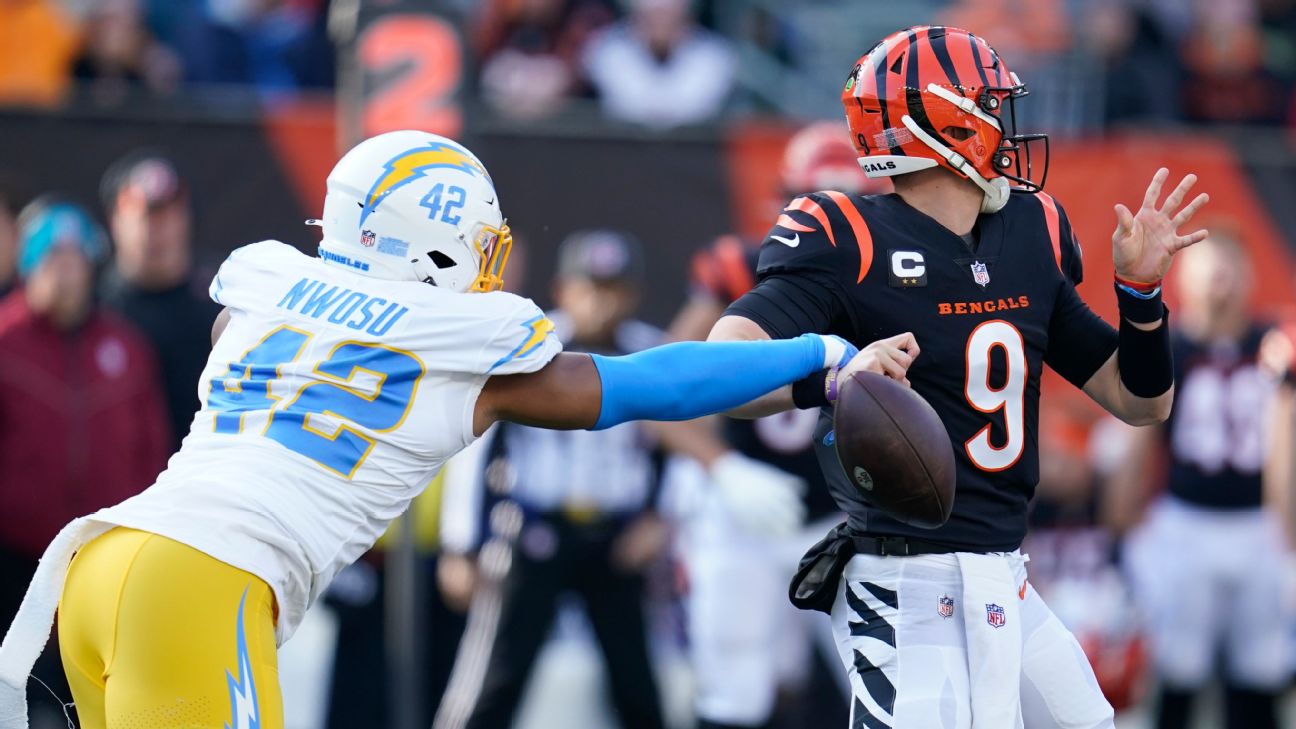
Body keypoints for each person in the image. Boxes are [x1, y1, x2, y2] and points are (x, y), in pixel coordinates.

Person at [0, 130, 880, 729]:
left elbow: (259, 344)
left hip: (106, 560)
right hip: (199, 586)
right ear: (433, 242)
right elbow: (654, 381)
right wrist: (814, 352)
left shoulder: (265, 291)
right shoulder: (465, 350)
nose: (491, 262)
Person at [709, 26, 1209, 728]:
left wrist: (1141, 292)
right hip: (901, 576)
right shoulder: (847, 234)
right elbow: (725, 360)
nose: (1004, 127)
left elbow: (1140, 399)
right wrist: (832, 368)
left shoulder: (1031, 231)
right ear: (945, 122)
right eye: (990, 107)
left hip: (1006, 570)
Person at [666, 122, 889, 729]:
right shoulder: (739, 267)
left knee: (884, 690)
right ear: (786, 203)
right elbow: (668, 383)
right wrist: (724, 467)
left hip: (848, 514)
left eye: (853, 208)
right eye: (822, 207)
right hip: (747, 511)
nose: (837, 227)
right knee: (736, 690)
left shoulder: (898, 281)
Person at [434, 230, 671, 729]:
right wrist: (461, 545)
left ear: (633, 294)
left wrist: (662, 518)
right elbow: (473, 445)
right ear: (565, 288)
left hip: (618, 537)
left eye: (615, 288)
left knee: (637, 687)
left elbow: (682, 445)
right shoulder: (527, 348)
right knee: (496, 678)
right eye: (592, 287)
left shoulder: (651, 352)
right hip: (534, 531)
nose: (603, 302)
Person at [1110, 231, 1290, 729]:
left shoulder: (1271, 345)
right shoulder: (1172, 346)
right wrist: (1123, 519)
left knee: (1260, 666)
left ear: (1250, 276)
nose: (1221, 285)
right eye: (1212, 271)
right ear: (1187, 279)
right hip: (1185, 520)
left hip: (1258, 523)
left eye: (1230, 271)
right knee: (1179, 666)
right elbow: (1140, 433)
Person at [0, 198, 170, 725]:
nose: (66, 272)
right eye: (53, 258)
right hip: (12, 567)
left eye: (76, 259)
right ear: (29, 265)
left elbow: (153, 452)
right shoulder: (4, 341)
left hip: (100, 569)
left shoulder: (126, 346)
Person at [99, 151, 222, 450]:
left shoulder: (222, 297)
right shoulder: (95, 306)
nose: (159, 230)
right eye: (146, 216)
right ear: (116, 221)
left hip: (203, 476)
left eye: (169, 214)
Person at [581, 0, 735, 128]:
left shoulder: (715, 56)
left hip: (691, 157)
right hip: (621, 154)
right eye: (654, 15)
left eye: (667, 15)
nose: (661, 22)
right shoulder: (605, 50)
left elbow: (695, 110)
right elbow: (628, 106)